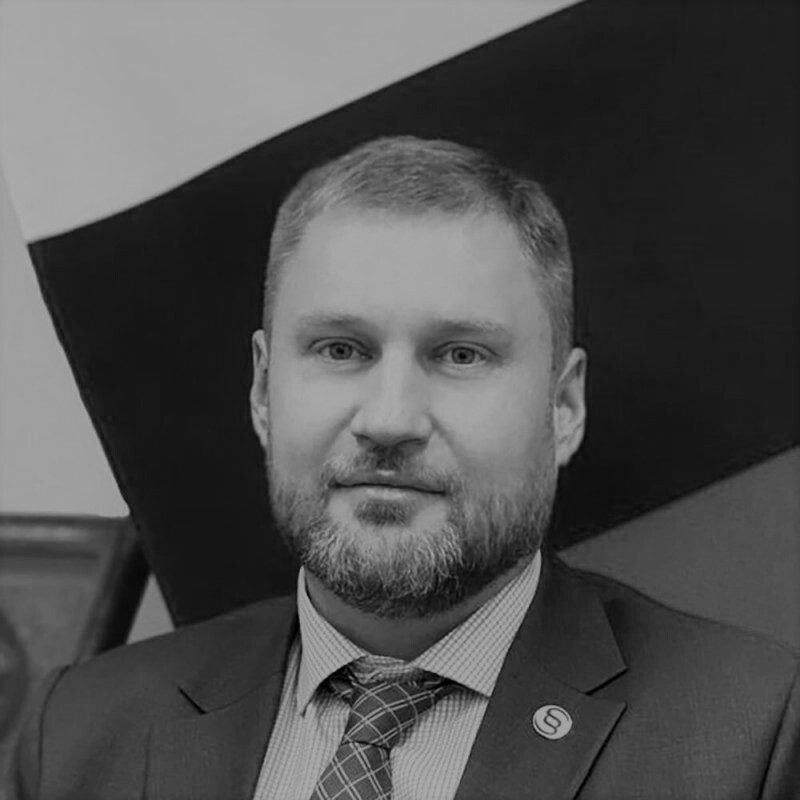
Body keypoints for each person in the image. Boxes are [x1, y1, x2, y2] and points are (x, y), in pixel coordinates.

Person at [7, 137, 799, 799]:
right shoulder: (76, 737)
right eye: (339, 349)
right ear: (262, 390)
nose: (389, 419)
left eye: (461, 355)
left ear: (564, 407)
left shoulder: (752, 735)